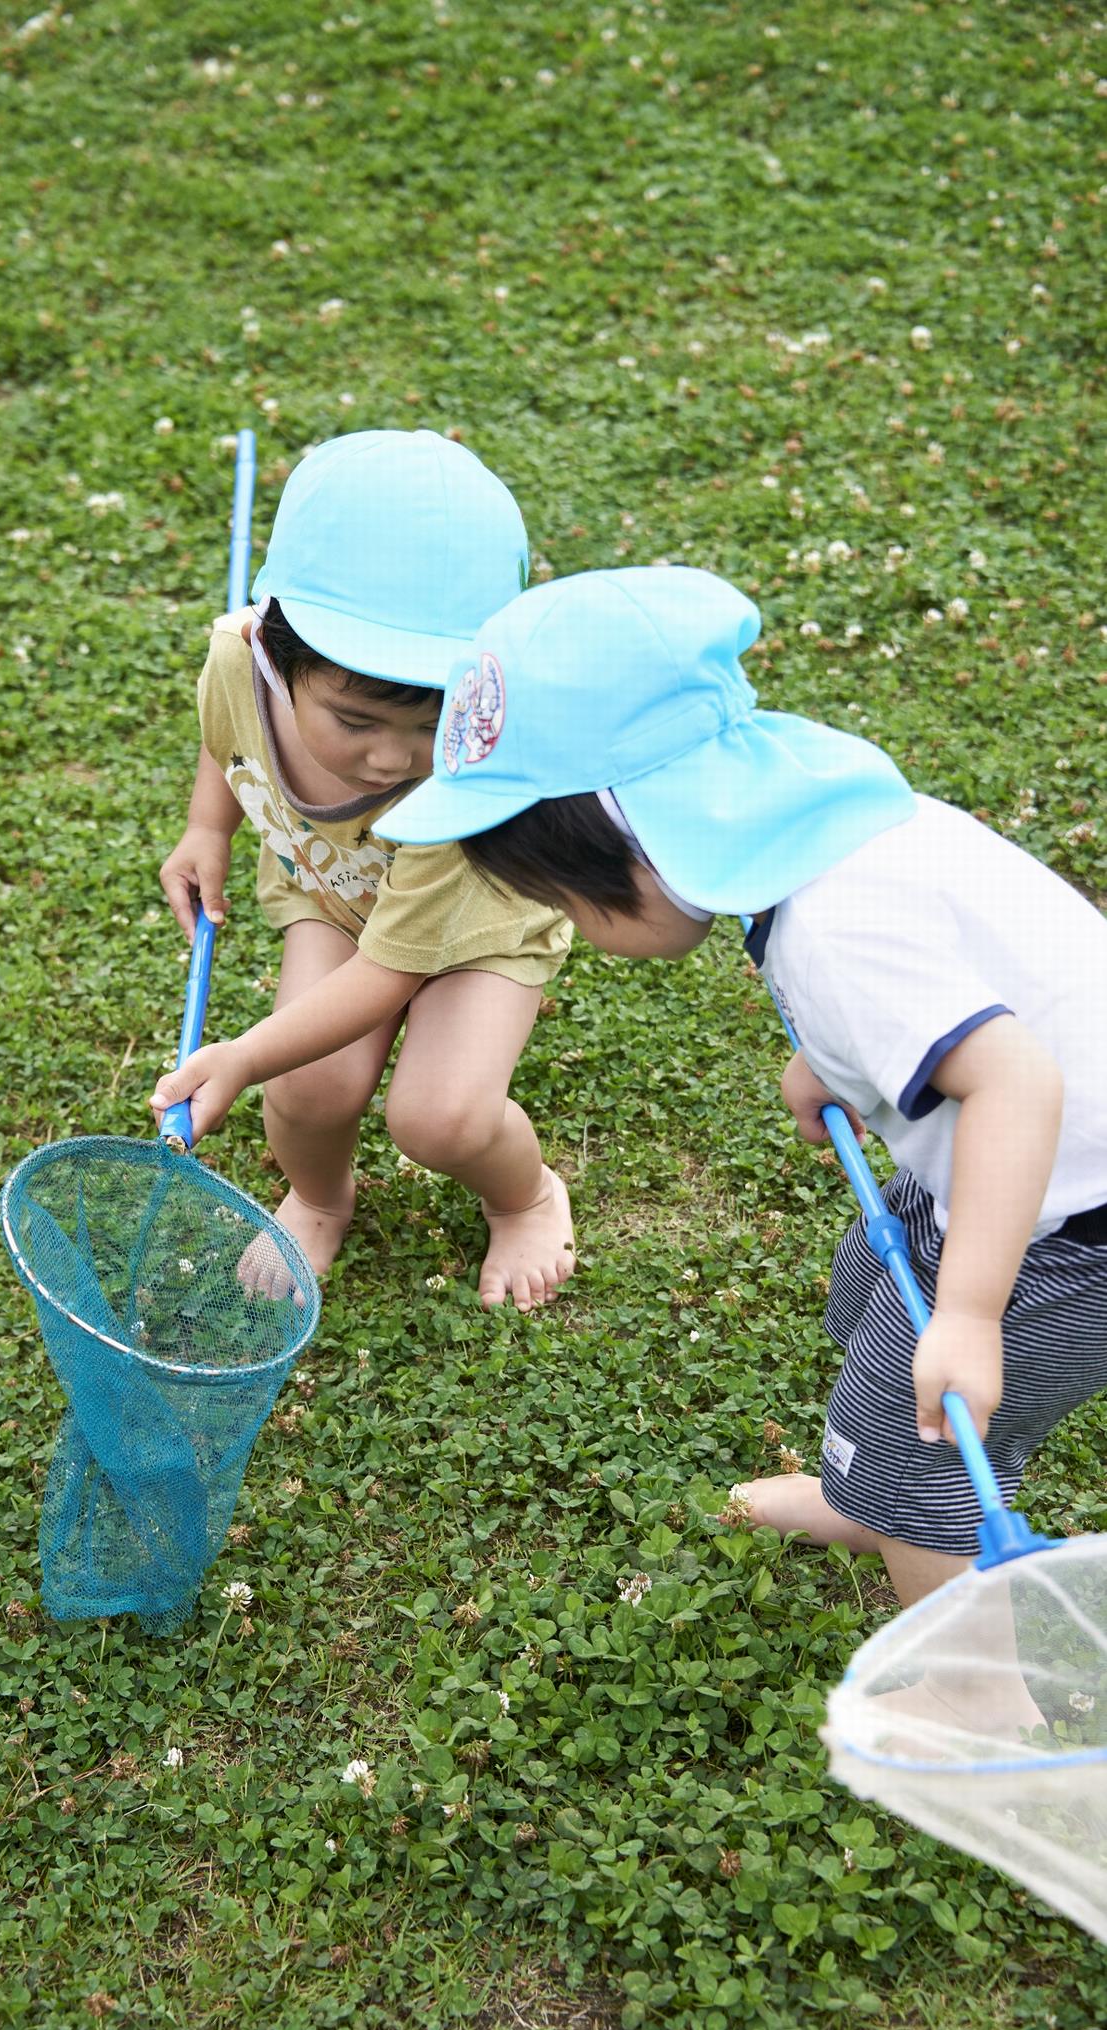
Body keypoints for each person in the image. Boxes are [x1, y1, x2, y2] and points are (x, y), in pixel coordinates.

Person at [375, 564, 1107, 1700]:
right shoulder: (838, 844)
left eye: (565, 902)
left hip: (1061, 1223)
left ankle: (973, 1687)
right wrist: (842, 1059)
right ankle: (870, 1493)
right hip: (1009, 1169)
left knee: (924, 1419)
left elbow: (1011, 1080)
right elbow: (964, 986)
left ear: (630, 836)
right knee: (871, 1283)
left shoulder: (837, 931)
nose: (574, 929)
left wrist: (969, 1309)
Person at [152, 430, 576, 1312]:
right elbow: (224, 737)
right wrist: (207, 826)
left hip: (473, 927)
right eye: (355, 721)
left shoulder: (465, 776)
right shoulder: (235, 656)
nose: (392, 759)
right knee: (308, 1088)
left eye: (432, 721)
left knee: (440, 1117)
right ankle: (317, 1198)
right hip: (333, 894)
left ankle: (525, 1196)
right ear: (278, 651)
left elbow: (391, 973)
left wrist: (237, 1057)